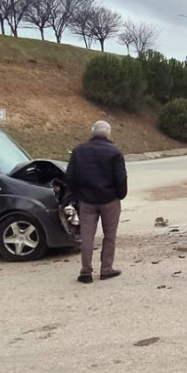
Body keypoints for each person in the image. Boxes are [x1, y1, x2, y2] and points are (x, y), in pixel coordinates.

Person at [66, 121, 128, 284]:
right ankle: (106, 269)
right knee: (109, 235)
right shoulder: (115, 152)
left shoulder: (78, 151)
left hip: (86, 200)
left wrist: (77, 194)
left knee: (87, 236)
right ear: (108, 134)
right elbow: (121, 178)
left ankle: (86, 271)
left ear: (92, 133)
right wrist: (120, 195)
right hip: (109, 199)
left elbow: (70, 176)